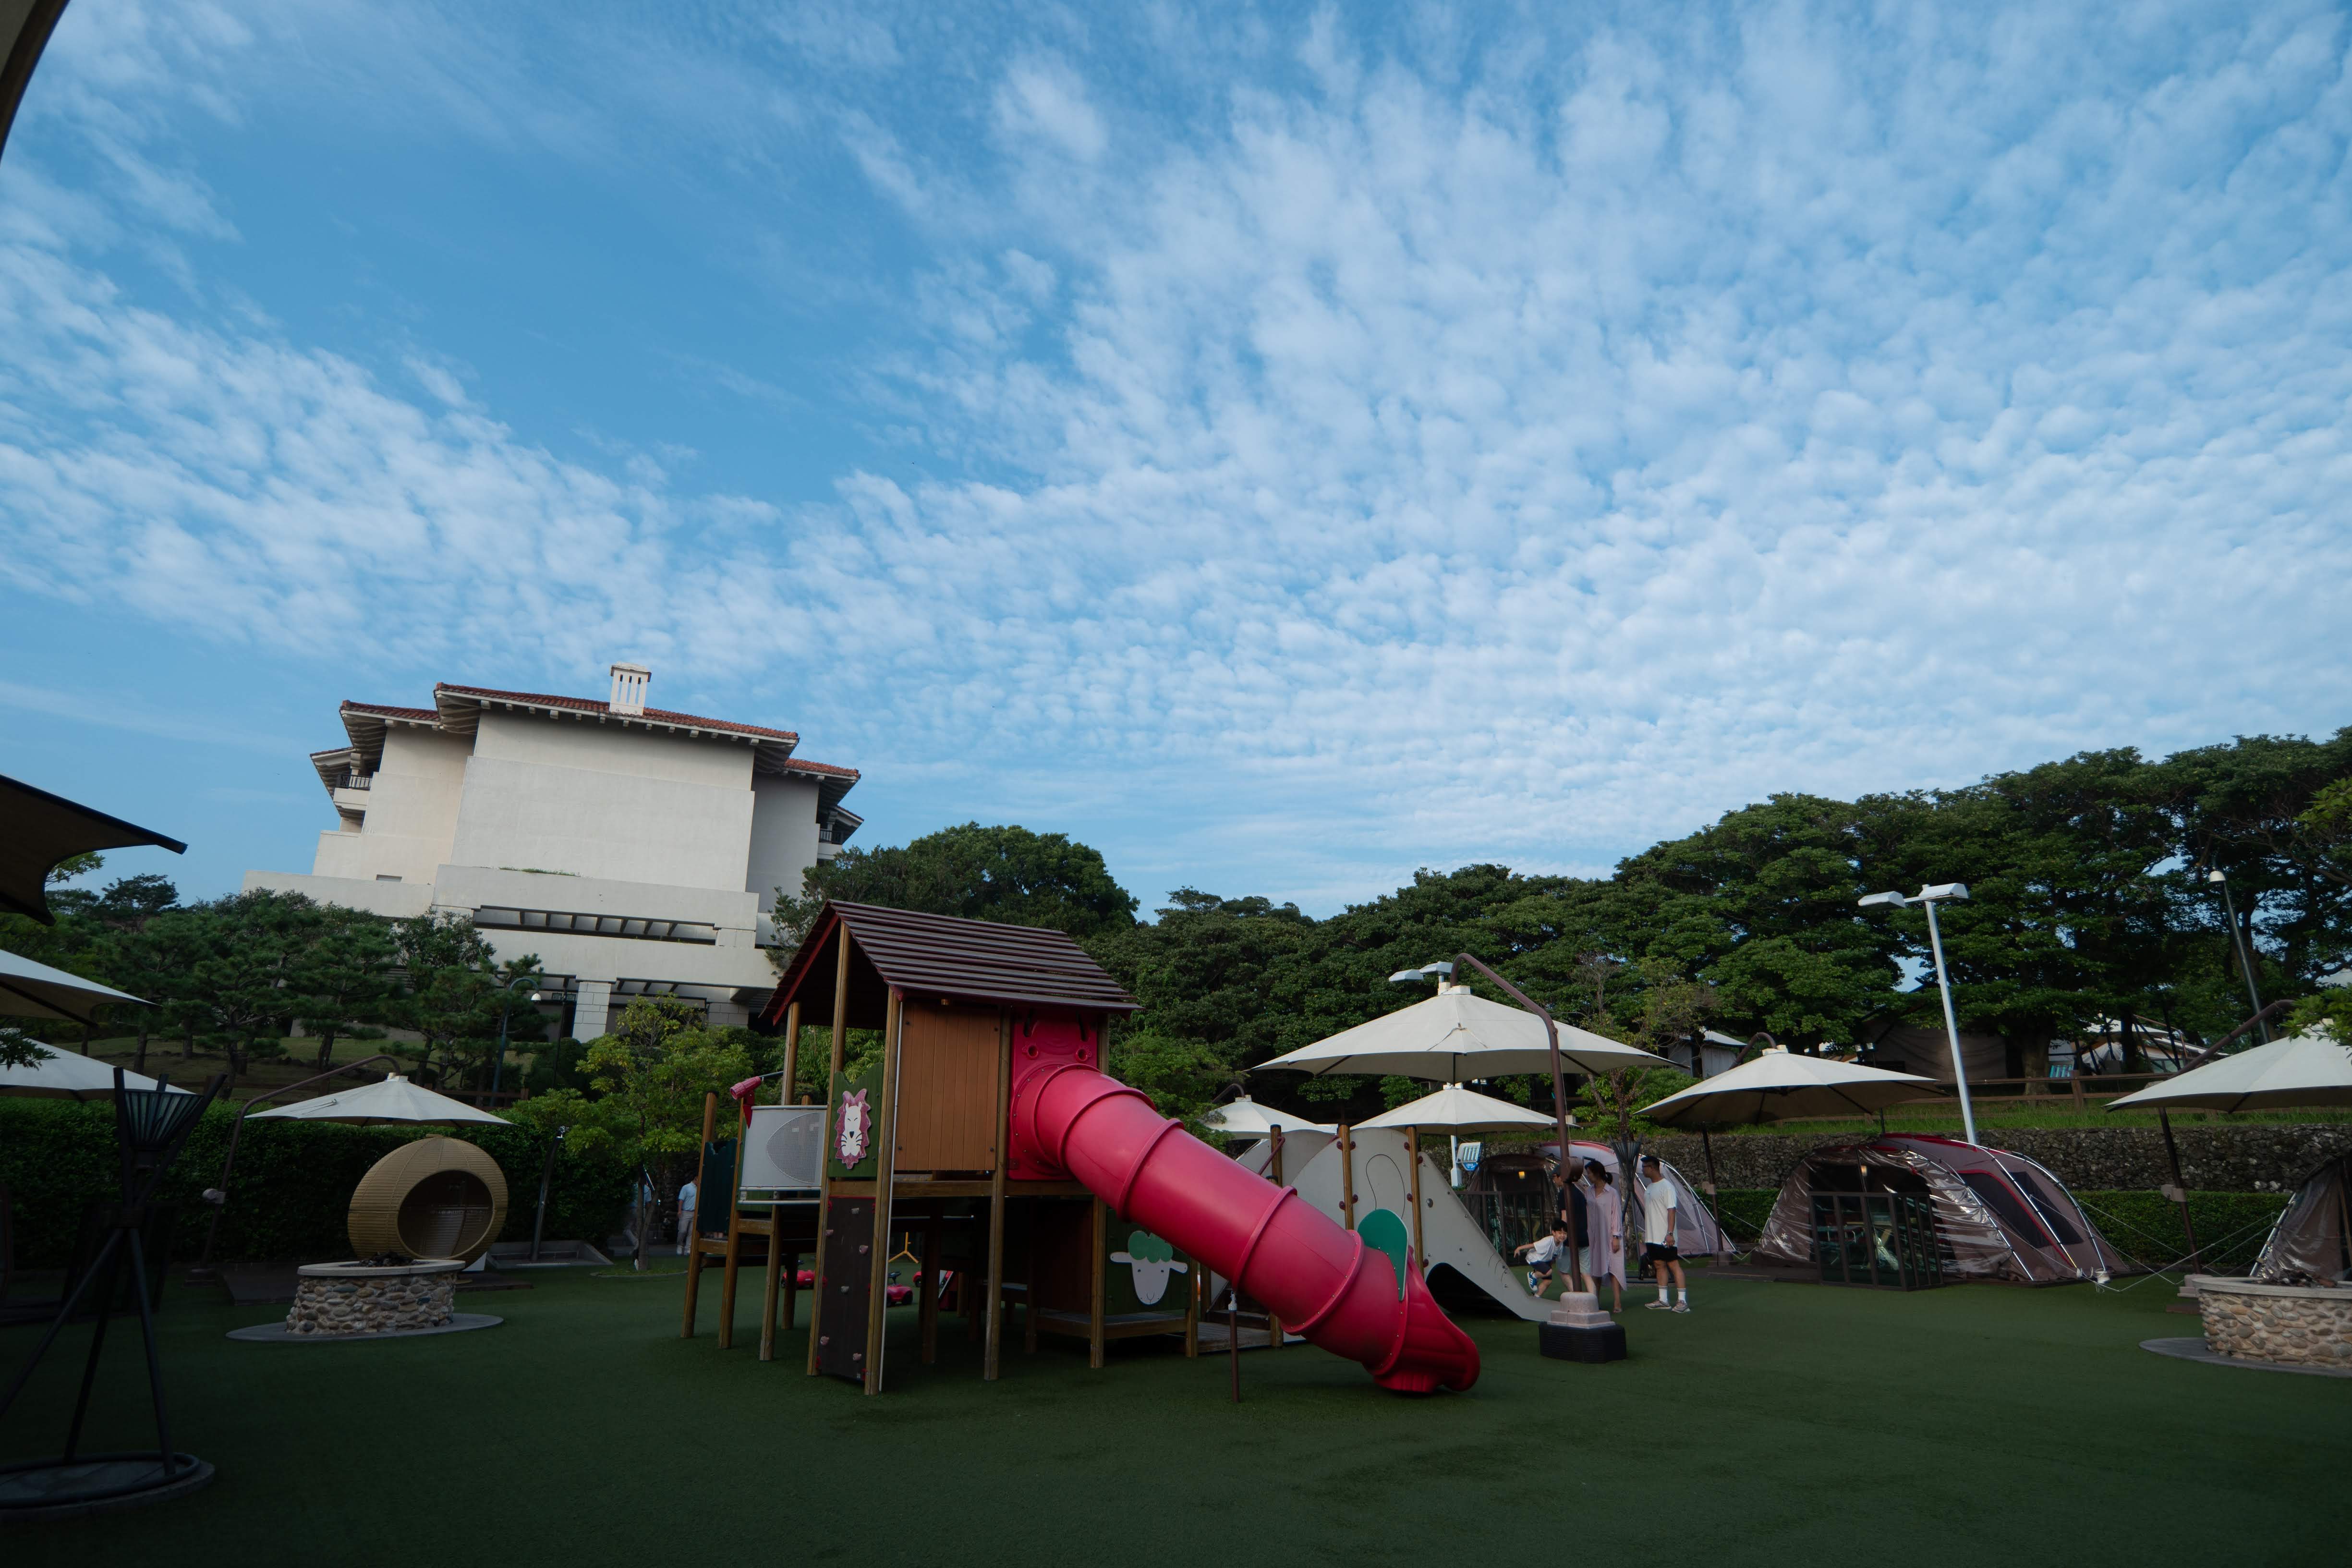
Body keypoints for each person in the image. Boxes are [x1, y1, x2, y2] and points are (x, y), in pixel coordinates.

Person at [1638, 1154, 1688, 1312]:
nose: (1642, 1170)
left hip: (1666, 1236)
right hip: (1652, 1237)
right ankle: (1663, 1300)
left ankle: (1682, 1302)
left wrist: (1670, 1233)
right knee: (1659, 1265)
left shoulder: (1667, 1187)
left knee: (1673, 1265)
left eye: (1644, 1167)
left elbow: (1672, 1210)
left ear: (1653, 1168)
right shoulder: (1649, 1188)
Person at [1584, 1160, 1626, 1313]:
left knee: (1615, 1269)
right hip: (1594, 1236)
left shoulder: (1612, 1193)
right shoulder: (1588, 1192)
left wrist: (1616, 1236)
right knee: (1595, 1269)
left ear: (1597, 1173)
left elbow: (1616, 1216)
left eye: (1589, 1173)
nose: (1588, 1176)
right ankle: (1595, 1301)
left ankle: (1617, 1303)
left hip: (1610, 1235)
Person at [1514, 1219, 1571, 1298]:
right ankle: (1533, 1276)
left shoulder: (1561, 1245)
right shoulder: (1548, 1241)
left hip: (1544, 1261)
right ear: (1554, 1233)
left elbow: (1554, 1257)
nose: (1563, 1236)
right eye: (1560, 1233)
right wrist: (1519, 1248)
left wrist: (1548, 1265)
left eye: (1565, 1233)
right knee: (1549, 1271)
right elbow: (1532, 1245)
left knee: (1548, 1281)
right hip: (1534, 1258)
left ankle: (1536, 1297)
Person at [676, 1177, 699, 1255]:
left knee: (691, 1232)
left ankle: (688, 1249)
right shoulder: (686, 1187)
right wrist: (679, 1211)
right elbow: (681, 1199)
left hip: (695, 1212)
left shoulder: (699, 1189)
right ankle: (680, 1245)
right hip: (686, 1212)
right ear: (696, 1179)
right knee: (683, 1231)